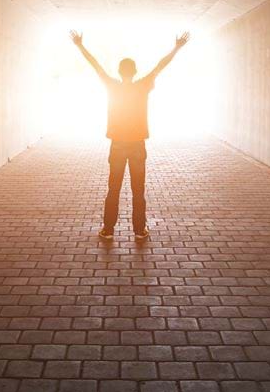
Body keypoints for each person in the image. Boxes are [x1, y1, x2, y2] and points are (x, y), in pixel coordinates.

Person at [70, 30, 190, 240]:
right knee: (138, 190)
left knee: (113, 188)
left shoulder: (112, 86)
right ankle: (139, 230)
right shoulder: (142, 86)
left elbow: (96, 66)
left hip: (117, 145)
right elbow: (160, 66)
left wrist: (80, 46)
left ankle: (108, 230)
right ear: (134, 71)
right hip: (137, 146)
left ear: (119, 71)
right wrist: (177, 48)